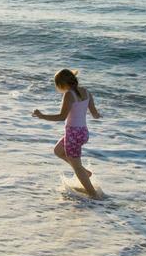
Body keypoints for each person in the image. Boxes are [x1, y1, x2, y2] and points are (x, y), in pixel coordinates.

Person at [33, 69, 101, 197]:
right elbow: (94, 113)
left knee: (77, 167)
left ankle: (93, 194)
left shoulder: (69, 95)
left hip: (73, 135)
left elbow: (62, 117)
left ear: (62, 84)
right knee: (58, 151)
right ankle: (85, 173)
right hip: (83, 132)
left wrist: (42, 116)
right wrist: (99, 116)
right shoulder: (86, 91)